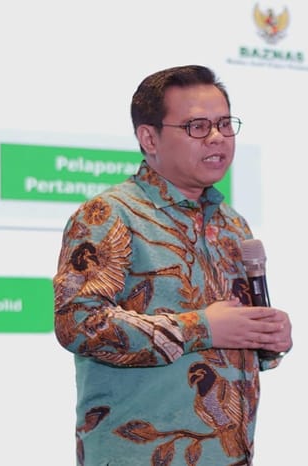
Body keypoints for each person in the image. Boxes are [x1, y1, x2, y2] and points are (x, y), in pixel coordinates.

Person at [53, 64, 292, 466]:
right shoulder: (110, 215)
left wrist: (266, 337)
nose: (217, 137)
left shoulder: (232, 225)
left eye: (224, 124)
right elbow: (77, 323)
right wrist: (202, 328)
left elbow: (233, 339)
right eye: (198, 127)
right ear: (149, 138)